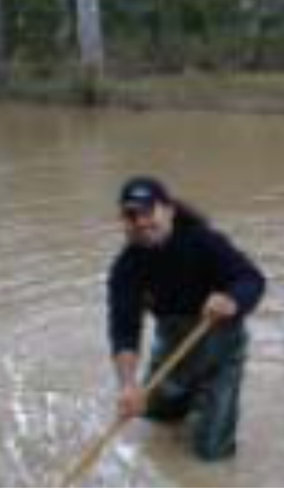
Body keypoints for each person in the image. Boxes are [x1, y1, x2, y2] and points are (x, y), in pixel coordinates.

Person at [107, 175, 265, 461]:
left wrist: (232, 300)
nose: (141, 222)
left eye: (148, 211)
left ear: (168, 211)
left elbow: (251, 279)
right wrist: (128, 385)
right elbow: (124, 330)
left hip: (220, 351)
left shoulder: (204, 242)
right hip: (172, 348)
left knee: (211, 453)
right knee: (155, 418)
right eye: (131, 215)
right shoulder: (125, 268)